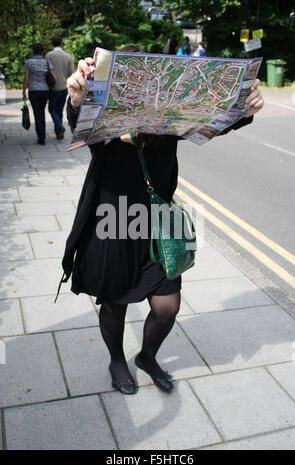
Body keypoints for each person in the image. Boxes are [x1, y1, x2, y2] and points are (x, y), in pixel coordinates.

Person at [59, 46, 264, 396]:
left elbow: (208, 118)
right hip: (113, 221)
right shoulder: (106, 121)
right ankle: (117, 360)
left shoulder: (168, 121)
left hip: (158, 222)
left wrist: (243, 108)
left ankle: (147, 357)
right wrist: (77, 98)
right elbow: (79, 123)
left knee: (168, 305)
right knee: (115, 303)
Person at [23, 43, 56, 145]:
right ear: (42, 51)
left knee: (37, 114)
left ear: (33, 51)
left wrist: (23, 91)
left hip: (33, 91)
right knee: (42, 112)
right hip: (44, 91)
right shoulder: (46, 62)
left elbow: (26, 79)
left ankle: (40, 137)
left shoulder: (28, 62)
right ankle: (43, 136)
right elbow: (54, 77)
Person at [45, 36, 74, 140]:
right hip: (64, 87)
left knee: (52, 109)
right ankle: (59, 132)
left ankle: (59, 126)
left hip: (53, 87)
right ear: (61, 43)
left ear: (52, 43)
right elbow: (71, 73)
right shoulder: (67, 56)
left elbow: (46, 71)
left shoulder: (48, 55)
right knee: (59, 109)